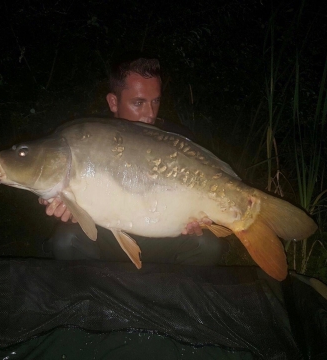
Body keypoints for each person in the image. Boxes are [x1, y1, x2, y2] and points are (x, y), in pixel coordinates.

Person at [41, 56, 227, 265]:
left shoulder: (178, 141)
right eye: (138, 103)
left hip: (162, 238)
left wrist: (200, 221)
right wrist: (62, 203)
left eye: (155, 101)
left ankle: (171, 295)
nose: (149, 114)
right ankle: (94, 294)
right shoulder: (90, 139)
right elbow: (55, 177)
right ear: (113, 102)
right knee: (66, 239)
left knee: (207, 244)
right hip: (106, 237)